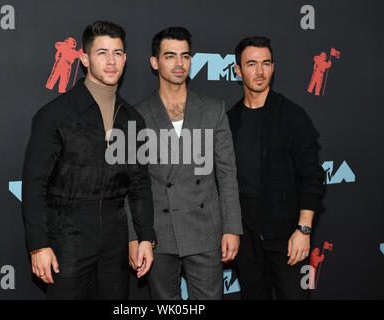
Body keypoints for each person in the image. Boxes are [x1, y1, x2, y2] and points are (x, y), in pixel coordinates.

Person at [21, 20, 156, 300]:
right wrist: (38, 245)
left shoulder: (132, 118)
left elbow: (139, 184)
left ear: (125, 59)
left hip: (115, 238)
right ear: (84, 58)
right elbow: (34, 186)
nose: (111, 61)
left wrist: (145, 237)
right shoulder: (54, 115)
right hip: (66, 236)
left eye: (118, 53)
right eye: (102, 52)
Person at [127, 27, 243, 300]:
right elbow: (130, 184)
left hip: (206, 229)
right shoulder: (137, 115)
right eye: (170, 56)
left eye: (185, 56)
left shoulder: (213, 109)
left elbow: (227, 173)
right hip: (157, 233)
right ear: (155, 62)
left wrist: (232, 228)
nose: (179, 64)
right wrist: (134, 237)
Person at [227, 36, 325, 299]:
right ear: (237, 70)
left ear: (273, 67)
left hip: (288, 239)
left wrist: (303, 230)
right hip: (245, 242)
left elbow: (312, 177)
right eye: (251, 64)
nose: (260, 72)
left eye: (266, 63)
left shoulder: (293, 116)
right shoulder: (229, 121)